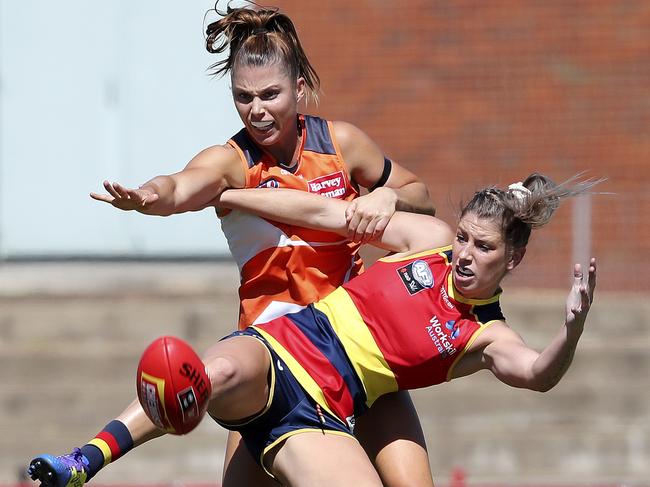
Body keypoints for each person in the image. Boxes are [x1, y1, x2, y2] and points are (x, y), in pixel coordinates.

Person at [29, 173, 599, 487]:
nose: (466, 254)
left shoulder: (487, 335)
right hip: (282, 348)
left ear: (514, 259)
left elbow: (537, 375)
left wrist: (569, 333)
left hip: (324, 412)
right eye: (467, 238)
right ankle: (87, 458)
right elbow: (325, 214)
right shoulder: (429, 240)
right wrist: (220, 196)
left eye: (486, 247)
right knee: (211, 370)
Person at [86, 4, 436, 487]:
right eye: (243, 97)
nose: (257, 109)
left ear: (300, 87)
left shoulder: (343, 144)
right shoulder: (231, 162)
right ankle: (90, 458)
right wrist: (150, 196)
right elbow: (182, 185)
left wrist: (387, 194)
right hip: (273, 366)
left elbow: (424, 200)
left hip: (358, 352)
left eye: (271, 94)